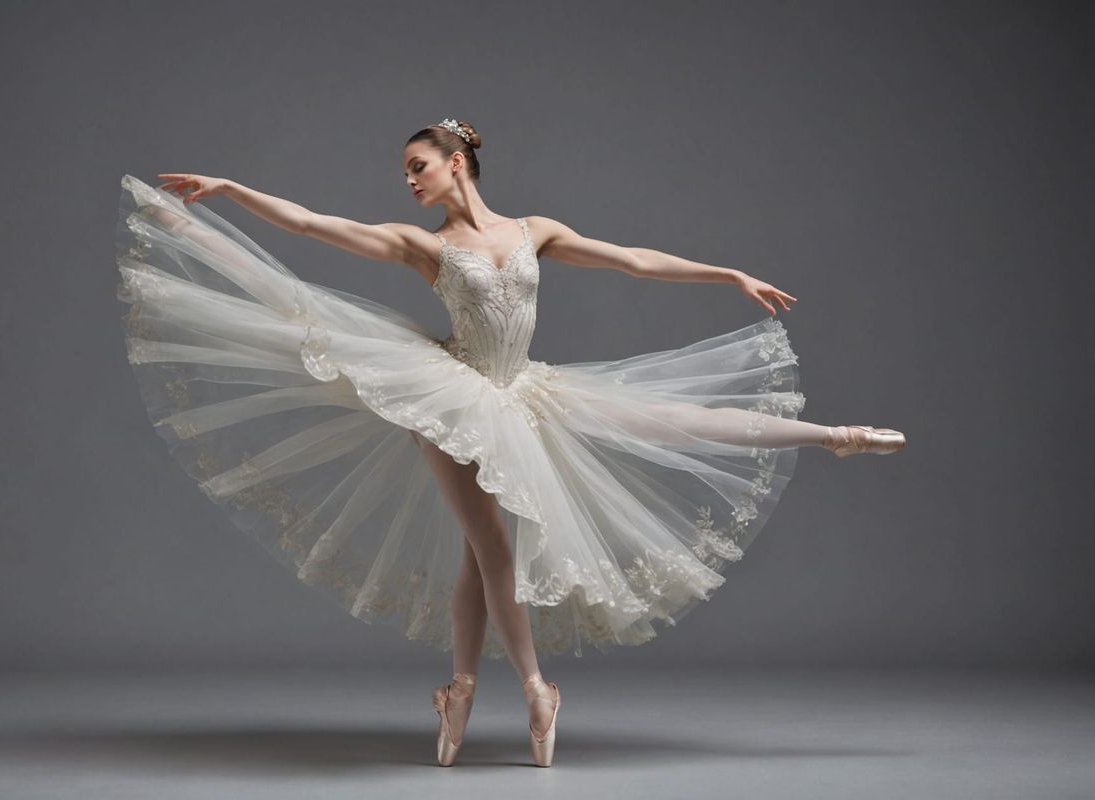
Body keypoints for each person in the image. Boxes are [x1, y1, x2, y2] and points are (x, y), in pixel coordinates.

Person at [115, 117, 905, 768]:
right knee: (491, 543)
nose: (410, 181)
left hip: (524, 390)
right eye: (406, 173)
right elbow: (317, 225)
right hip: (452, 396)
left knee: (665, 420)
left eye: (419, 166)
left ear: (457, 162)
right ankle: (535, 688)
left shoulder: (535, 231)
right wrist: (232, 189)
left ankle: (833, 435)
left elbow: (634, 261)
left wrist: (727, 273)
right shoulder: (422, 244)